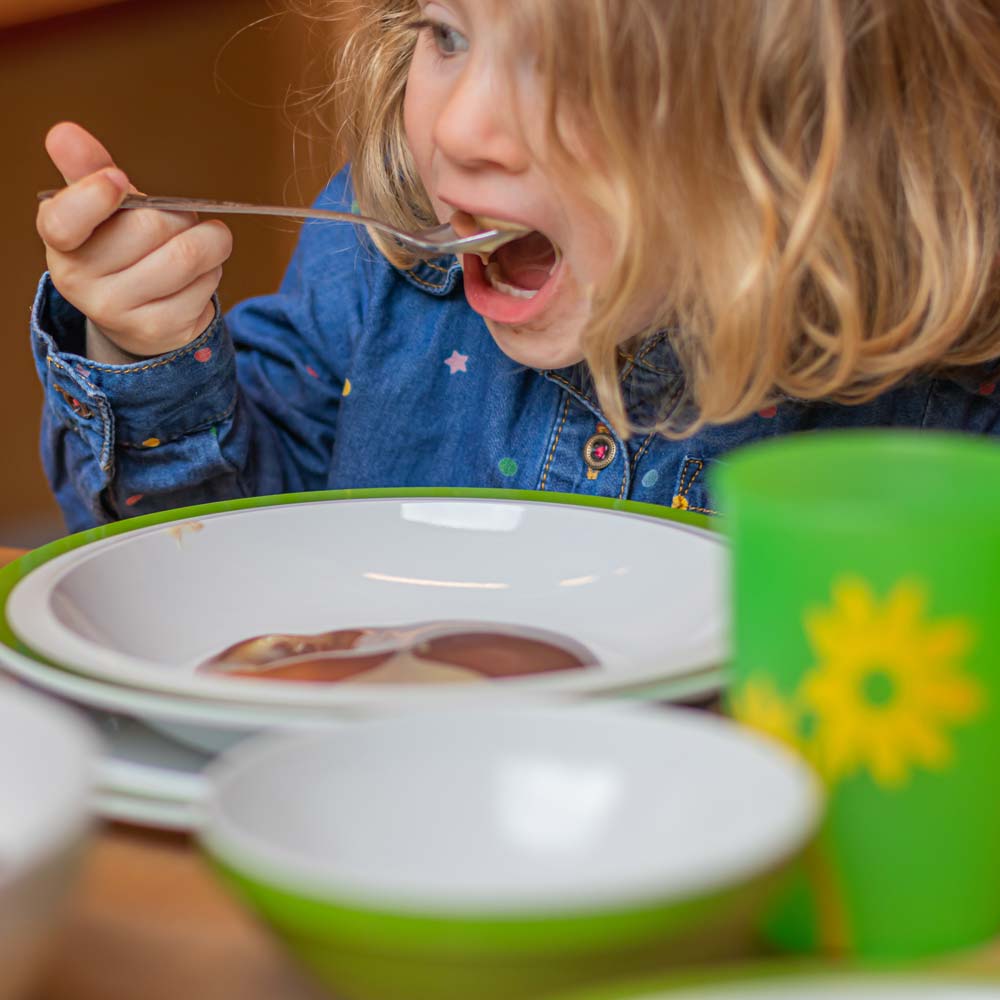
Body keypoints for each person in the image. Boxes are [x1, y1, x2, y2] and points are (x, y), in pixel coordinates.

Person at [32, 0, 1000, 532]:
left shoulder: (943, 415)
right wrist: (143, 349)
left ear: (801, 122)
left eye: (562, 68)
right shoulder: (388, 248)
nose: (459, 129)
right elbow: (216, 563)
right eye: (449, 35)